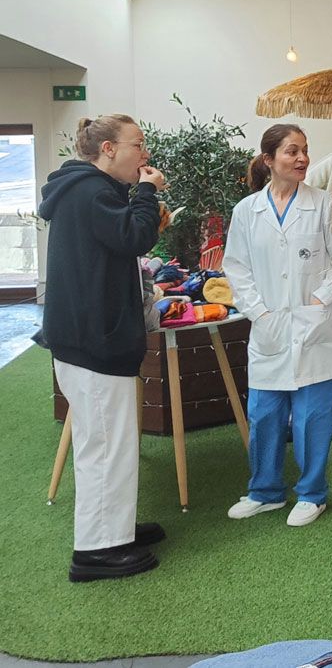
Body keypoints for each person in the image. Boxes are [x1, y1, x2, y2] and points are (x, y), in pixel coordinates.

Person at [39, 114, 167, 582]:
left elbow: (127, 239)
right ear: (109, 149)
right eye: (139, 145)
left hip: (90, 337)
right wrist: (148, 194)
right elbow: (134, 235)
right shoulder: (89, 191)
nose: (145, 155)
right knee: (105, 446)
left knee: (111, 442)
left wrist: (143, 203)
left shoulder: (86, 191)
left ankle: (115, 529)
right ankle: (96, 552)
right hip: (92, 341)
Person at [223, 124, 332, 527]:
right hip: (270, 327)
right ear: (268, 160)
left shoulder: (326, 204)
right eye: (291, 152)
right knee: (264, 414)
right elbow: (236, 268)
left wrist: (319, 300)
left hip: (318, 328)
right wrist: (258, 312)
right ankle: (265, 491)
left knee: (314, 416)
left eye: (304, 151)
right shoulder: (247, 210)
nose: (302, 159)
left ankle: (312, 494)